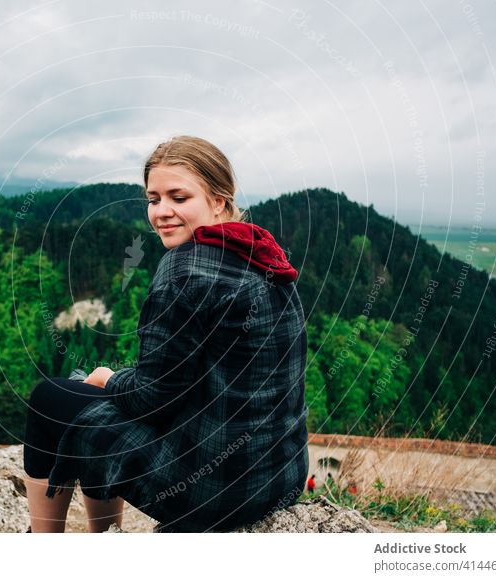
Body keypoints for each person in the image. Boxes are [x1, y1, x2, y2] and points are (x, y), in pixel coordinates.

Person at [23, 135, 309, 533]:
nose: (162, 212)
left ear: (218, 200)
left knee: (50, 399)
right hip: (280, 475)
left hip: (212, 490)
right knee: (83, 393)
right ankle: (102, 537)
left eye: (179, 197)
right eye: (154, 199)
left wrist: (110, 378)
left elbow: (151, 398)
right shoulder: (264, 256)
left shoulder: (185, 271)